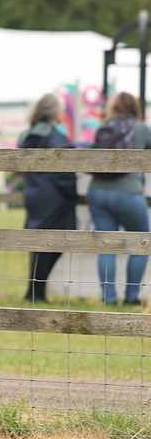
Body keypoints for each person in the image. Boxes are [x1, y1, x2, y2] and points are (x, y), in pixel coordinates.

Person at [87, 91, 151, 305]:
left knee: (107, 246)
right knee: (141, 242)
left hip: (97, 192)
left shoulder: (105, 126)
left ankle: (109, 298)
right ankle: (132, 297)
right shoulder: (141, 128)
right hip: (128, 194)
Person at [17, 94, 77, 303]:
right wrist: (72, 194)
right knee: (55, 243)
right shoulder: (56, 138)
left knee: (39, 243)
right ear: (53, 112)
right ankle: (36, 293)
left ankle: (34, 291)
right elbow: (65, 173)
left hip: (34, 193)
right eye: (61, 109)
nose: (63, 113)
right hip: (55, 197)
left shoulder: (27, 135)